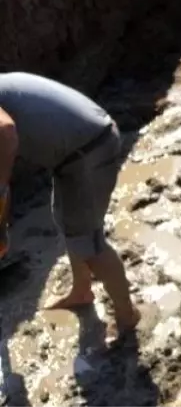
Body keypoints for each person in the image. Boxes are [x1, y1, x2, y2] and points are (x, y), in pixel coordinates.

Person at [0, 72, 140, 340]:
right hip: (75, 149)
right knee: (67, 221)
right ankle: (82, 291)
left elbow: (6, 132)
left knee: (90, 243)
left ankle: (127, 317)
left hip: (89, 149)